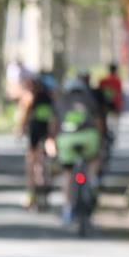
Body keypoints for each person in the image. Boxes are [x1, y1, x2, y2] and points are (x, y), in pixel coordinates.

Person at [47, 77, 104, 222]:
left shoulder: (60, 101)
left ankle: (67, 209)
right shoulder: (90, 99)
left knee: (67, 174)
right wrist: (100, 139)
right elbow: (98, 123)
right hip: (88, 138)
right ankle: (91, 179)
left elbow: (53, 125)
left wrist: (52, 139)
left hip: (66, 140)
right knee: (94, 158)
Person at [15, 73, 55, 208]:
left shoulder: (29, 97)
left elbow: (23, 116)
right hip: (48, 134)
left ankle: (31, 193)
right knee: (48, 158)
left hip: (34, 133)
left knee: (31, 163)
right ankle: (47, 179)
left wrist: (19, 129)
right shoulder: (50, 98)